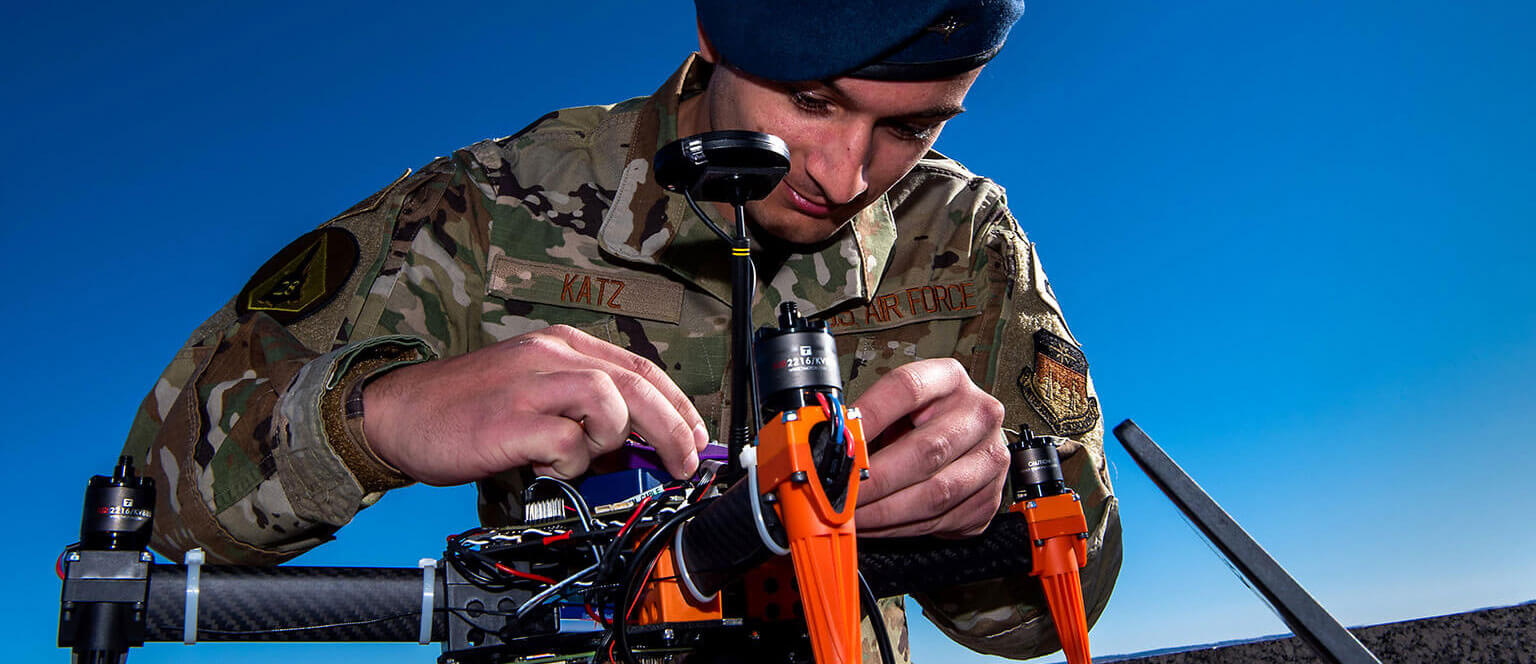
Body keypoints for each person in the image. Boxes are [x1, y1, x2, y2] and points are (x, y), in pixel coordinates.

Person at [121, 1, 1121, 660]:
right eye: (813, 101)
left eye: (911, 128)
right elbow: (158, 499)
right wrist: (372, 415)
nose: (844, 175)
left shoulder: (963, 236)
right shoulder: (492, 204)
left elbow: (1042, 618)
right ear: (717, 34)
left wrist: (977, 514)